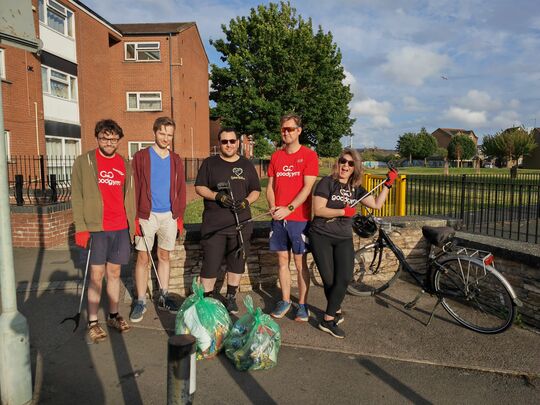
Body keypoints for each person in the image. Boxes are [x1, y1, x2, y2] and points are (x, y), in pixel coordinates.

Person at [309, 148, 398, 338]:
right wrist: (343, 212)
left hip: (343, 238)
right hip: (321, 235)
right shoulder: (327, 182)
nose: (345, 166)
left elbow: (376, 205)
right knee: (330, 279)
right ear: (338, 162)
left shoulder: (356, 188)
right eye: (343, 161)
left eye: (350, 163)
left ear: (355, 167)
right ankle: (332, 314)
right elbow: (319, 210)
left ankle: (328, 318)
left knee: (344, 278)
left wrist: (388, 185)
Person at [72, 119, 136, 344]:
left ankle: (113, 315)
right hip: (97, 229)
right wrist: (81, 228)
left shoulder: (124, 164)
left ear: (119, 140)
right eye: (104, 138)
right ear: (97, 138)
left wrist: (133, 222)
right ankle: (92, 321)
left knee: (115, 274)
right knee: (96, 276)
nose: (109, 142)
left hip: (119, 228)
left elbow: (130, 196)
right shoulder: (84, 162)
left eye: (113, 138)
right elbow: (77, 197)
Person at [195, 127, 261, 313]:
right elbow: (199, 187)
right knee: (210, 264)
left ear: (238, 143)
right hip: (214, 225)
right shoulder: (210, 163)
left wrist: (246, 202)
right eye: (225, 142)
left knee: (237, 262)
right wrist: (216, 196)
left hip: (240, 225)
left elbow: (256, 189)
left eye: (232, 141)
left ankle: (231, 297)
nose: (229, 145)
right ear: (219, 143)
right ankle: (206, 300)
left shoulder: (246, 164)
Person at [130, 117, 186, 322]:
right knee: (143, 258)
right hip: (147, 214)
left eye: (169, 135)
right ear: (154, 132)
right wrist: (135, 216)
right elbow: (133, 187)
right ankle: (141, 300)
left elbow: (181, 189)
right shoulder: (141, 156)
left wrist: (179, 215)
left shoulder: (176, 159)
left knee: (164, 256)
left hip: (169, 215)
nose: (165, 138)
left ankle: (163, 295)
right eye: (162, 133)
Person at [266, 113, 318, 321]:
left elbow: (307, 188)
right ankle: (286, 300)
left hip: (299, 218)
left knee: (299, 263)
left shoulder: (308, 156)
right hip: (278, 218)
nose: (286, 132)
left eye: (290, 129)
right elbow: (270, 187)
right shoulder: (276, 156)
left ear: (299, 131)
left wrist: (288, 208)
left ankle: (303, 305)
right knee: (282, 260)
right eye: (283, 129)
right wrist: (272, 206)